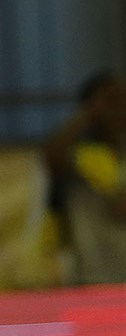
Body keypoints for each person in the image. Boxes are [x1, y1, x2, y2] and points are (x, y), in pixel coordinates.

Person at [44, 69, 126, 285]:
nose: (120, 109)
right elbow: (50, 157)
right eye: (112, 101)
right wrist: (89, 114)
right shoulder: (80, 155)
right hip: (92, 275)